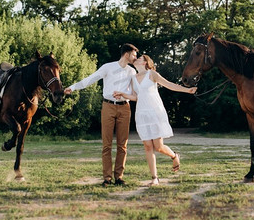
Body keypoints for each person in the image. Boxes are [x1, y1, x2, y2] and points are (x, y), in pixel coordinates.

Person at [113, 55, 197, 186]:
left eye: (139, 58)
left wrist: (187, 90)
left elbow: (169, 85)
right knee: (147, 147)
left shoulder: (152, 74)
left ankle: (174, 156)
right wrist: (123, 94)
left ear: (145, 62)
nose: (136, 59)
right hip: (142, 114)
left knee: (158, 147)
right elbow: (136, 97)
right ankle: (154, 178)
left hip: (155, 112)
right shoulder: (133, 78)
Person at [64, 43, 138, 187]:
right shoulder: (107, 67)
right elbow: (90, 79)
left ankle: (119, 177)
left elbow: (135, 93)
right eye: (134, 55)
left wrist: (123, 94)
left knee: (123, 145)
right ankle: (107, 178)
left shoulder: (132, 72)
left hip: (125, 108)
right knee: (107, 145)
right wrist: (73, 88)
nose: (136, 58)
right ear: (127, 54)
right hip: (108, 106)